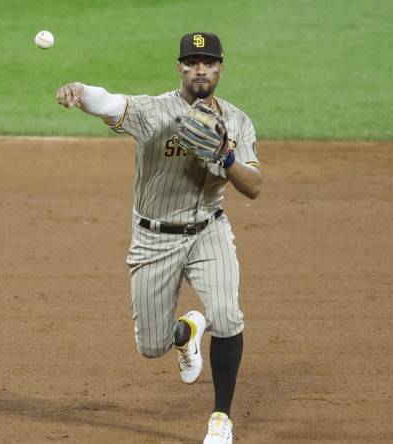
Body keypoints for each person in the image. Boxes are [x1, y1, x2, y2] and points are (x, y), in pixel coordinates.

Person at [56, 31, 262, 444]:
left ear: (220, 68)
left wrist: (226, 156)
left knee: (227, 316)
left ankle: (221, 417)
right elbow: (112, 102)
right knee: (151, 347)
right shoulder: (155, 112)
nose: (200, 69)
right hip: (154, 239)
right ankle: (186, 332)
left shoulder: (236, 119)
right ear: (180, 67)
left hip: (209, 231)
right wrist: (82, 91)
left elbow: (254, 186)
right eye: (192, 62)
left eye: (208, 63)